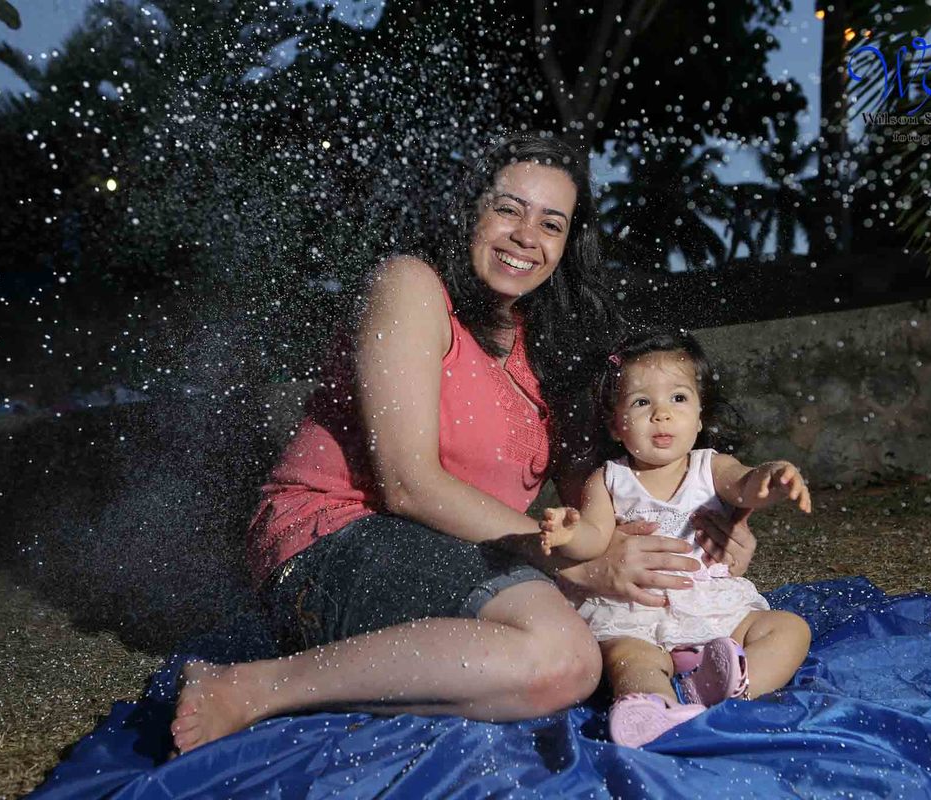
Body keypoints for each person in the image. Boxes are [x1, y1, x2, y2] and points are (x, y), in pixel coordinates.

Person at [170, 134, 759, 754]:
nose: (526, 236)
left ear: (565, 247)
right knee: (567, 658)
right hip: (330, 540)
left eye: (551, 224)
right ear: (469, 212)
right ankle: (248, 688)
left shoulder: (550, 346)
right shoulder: (410, 286)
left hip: (452, 552)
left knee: (571, 663)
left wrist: (705, 521)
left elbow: (591, 490)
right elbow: (407, 483)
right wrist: (585, 562)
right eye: (508, 209)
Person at [539, 329, 813, 747]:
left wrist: (772, 475)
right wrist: (570, 531)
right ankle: (650, 707)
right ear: (616, 425)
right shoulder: (609, 479)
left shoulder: (710, 466)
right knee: (628, 659)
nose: (661, 414)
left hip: (714, 609)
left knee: (790, 629)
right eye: (642, 402)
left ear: (700, 417)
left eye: (678, 399)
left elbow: (745, 485)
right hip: (638, 609)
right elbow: (595, 539)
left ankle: (733, 687)